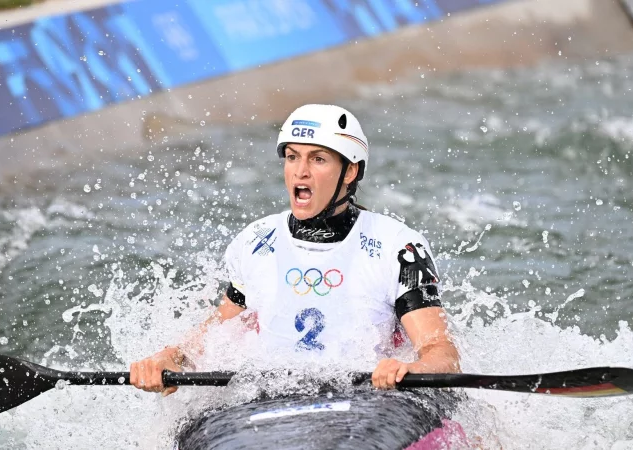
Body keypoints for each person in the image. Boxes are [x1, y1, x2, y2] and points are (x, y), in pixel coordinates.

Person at [130, 104, 460, 396]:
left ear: (350, 171)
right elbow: (215, 334)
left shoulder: (398, 246)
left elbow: (440, 351)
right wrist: (170, 357)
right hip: (271, 400)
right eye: (292, 157)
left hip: (365, 401)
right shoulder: (257, 241)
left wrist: (412, 370)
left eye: (317, 159)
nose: (300, 171)